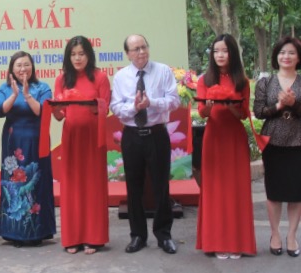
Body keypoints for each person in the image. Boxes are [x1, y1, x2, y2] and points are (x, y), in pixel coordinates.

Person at [110, 34, 180, 255]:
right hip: (131, 136)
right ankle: (138, 235)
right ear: (128, 54)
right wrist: (134, 107)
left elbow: (174, 100)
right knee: (134, 188)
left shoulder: (163, 71)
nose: (141, 52)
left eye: (144, 47)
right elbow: (116, 107)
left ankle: (164, 235)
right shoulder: (121, 77)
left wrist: (152, 103)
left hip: (157, 134)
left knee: (161, 186)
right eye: (135, 49)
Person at [195, 34, 256, 259]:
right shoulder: (205, 80)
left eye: (225, 51)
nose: (220, 55)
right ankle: (216, 241)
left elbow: (243, 114)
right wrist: (210, 106)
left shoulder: (242, 81)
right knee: (215, 189)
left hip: (235, 139)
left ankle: (237, 242)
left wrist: (231, 106)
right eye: (216, 51)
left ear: (232, 53)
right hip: (214, 138)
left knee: (236, 190)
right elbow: (202, 113)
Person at [51, 35, 110, 255]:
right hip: (72, 137)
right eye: (73, 54)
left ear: (89, 55)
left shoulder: (100, 78)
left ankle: (93, 238)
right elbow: (59, 115)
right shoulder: (61, 79)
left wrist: (93, 105)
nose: (77, 58)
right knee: (72, 186)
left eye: (81, 54)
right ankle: (72, 237)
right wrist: (54, 108)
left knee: (92, 185)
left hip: (93, 138)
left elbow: (104, 109)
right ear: (68, 56)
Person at [0, 51, 56, 247]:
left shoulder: (42, 87)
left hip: (37, 139)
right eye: (19, 65)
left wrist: (27, 95)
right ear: (12, 69)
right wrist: (14, 95)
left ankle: (38, 231)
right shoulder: (5, 88)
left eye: (26, 65)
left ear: (32, 67)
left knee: (37, 182)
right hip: (13, 141)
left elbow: (43, 112)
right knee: (13, 185)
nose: (23, 69)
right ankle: (14, 232)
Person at [254, 36, 301, 258]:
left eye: (291, 52)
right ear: (276, 57)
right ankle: (275, 234)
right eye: (282, 53)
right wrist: (280, 105)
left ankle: (292, 235)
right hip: (272, 142)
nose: (286, 56)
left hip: (298, 142)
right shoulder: (266, 82)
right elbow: (259, 111)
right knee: (274, 192)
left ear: (298, 57)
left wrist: (295, 104)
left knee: (296, 192)